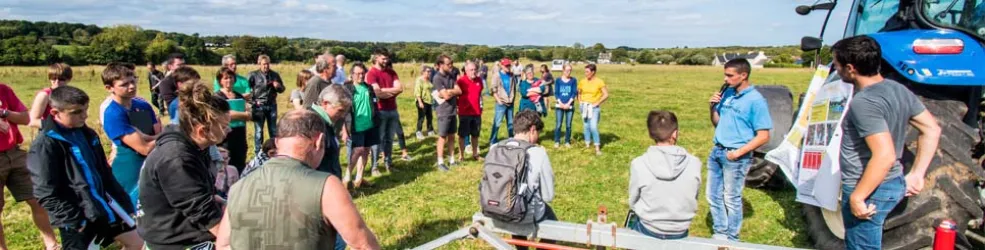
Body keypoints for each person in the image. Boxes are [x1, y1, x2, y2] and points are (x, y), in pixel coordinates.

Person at [832, 36, 940, 250]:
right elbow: (932, 129)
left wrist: (857, 197)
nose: (836, 70)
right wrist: (917, 173)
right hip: (892, 182)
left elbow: (884, 155)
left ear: (850, 68)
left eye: (837, 65)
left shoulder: (863, 102)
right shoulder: (897, 88)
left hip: (869, 188)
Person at [215, 110, 381, 250]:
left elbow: (223, 245)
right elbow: (363, 244)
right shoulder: (327, 187)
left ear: (278, 142)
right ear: (319, 141)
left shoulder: (240, 186)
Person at [28, 85, 142, 250]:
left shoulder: (88, 134)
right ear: (55, 113)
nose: (84, 115)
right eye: (76, 112)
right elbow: (44, 192)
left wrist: (124, 203)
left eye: (85, 109)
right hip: (78, 218)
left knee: (137, 243)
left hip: (106, 207)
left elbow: (104, 173)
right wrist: (74, 221)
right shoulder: (45, 145)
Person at [137, 79, 229, 249]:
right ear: (202, 130)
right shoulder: (176, 159)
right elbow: (203, 213)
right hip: (174, 242)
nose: (228, 130)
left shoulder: (194, 146)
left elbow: (201, 194)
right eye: (224, 126)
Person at [706, 58, 772, 242]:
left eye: (730, 75)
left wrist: (738, 153)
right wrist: (712, 108)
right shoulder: (727, 94)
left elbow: (763, 136)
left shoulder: (756, 101)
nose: (725, 79)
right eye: (725, 75)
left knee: (731, 198)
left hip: (735, 156)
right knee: (712, 196)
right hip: (717, 152)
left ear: (743, 75)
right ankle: (719, 232)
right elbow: (717, 123)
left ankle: (732, 237)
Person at [1, 83, 60, 250]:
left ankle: (52, 245)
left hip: (15, 153)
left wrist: (4, 113)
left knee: (38, 198)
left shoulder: (3, 90)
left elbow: (26, 118)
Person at [628, 110, 700, 240]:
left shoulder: (639, 164)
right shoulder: (694, 163)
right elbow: (694, 195)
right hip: (680, 230)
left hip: (648, 227)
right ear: (675, 133)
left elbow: (633, 199)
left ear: (650, 134)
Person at [101, 63, 160, 207]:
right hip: (129, 167)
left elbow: (156, 133)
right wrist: (173, 134)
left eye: (133, 81)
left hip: (154, 161)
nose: (132, 86)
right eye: (124, 84)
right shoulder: (113, 113)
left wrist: (162, 136)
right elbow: (144, 148)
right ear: (109, 88)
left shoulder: (143, 105)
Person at [496, 110, 556, 250]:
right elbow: (548, 196)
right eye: (538, 134)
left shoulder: (495, 148)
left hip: (496, 208)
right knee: (552, 225)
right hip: (524, 215)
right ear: (532, 129)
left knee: (515, 204)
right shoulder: (538, 153)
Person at [367, 48, 405, 176]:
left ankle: (389, 164)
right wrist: (391, 91)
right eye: (383, 58)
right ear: (376, 58)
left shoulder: (391, 72)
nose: (386, 60)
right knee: (378, 139)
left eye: (387, 58)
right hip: (380, 110)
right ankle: (375, 167)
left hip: (392, 109)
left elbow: (400, 88)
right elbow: (377, 93)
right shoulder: (371, 73)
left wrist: (384, 91)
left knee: (389, 139)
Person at [341, 63, 379, 188]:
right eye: (358, 73)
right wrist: (344, 130)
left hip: (370, 125)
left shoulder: (369, 88)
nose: (361, 76)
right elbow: (343, 111)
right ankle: (347, 176)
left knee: (366, 150)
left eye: (363, 73)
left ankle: (359, 178)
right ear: (352, 75)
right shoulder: (347, 89)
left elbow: (374, 104)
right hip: (355, 126)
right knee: (357, 150)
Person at [309, 84, 351, 178]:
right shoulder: (312, 123)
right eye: (340, 110)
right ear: (325, 103)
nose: (343, 115)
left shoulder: (325, 123)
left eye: (345, 112)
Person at [248, 54, 286, 154]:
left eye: (268, 64)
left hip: (272, 105)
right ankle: (258, 153)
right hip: (258, 106)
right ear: (259, 64)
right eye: (264, 64)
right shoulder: (253, 75)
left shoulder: (275, 75)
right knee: (259, 132)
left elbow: (282, 89)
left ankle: (274, 151)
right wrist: (253, 102)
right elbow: (247, 91)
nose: (266, 66)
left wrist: (278, 86)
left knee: (273, 130)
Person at [216, 67, 251, 172]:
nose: (229, 80)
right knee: (226, 164)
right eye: (225, 78)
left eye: (231, 77)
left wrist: (240, 114)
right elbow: (225, 115)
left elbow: (250, 114)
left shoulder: (239, 95)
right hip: (225, 137)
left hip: (240, 135)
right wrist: (243, 114)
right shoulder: (218, 97)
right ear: (220, 81)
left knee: (240, 163)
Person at [433, 55, 460, 171]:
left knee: (452, 136)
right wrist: (450, 92)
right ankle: (440, 162)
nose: (451, 66)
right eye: (448, 64)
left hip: (453, 110)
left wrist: (449, 91)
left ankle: (452, 159)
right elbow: (445, 96)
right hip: (443, 112)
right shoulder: (437, 78)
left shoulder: (451, 75)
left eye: (451, 63)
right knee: (442, 137)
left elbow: (459, 91)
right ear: (440, 65)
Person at [28, 63, 72, 129]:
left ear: (69, 79)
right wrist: (56, 127)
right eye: (53, 78)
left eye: (61, 79)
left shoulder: (72, 94)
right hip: (49, 134)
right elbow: (32, 121)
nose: (57, 82)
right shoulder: (44, 95)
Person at [579, 64, 609, 155]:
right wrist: (580, 101)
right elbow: (579, 93)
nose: (585, 74)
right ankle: (587, 144)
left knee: (593, 126)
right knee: (586, 126)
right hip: (584, 106)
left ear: (593, 72)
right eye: (585, 71)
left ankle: (597, 147)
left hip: (594, 108)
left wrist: (597, 103)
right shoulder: (582, 81)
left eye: (587, 72)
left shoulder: (599, 82)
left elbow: (606, 94)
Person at [456, 61, 484, 161]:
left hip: (476, 112)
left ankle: (475, 154)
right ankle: (461, 156)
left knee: (475, 134)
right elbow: (456, 96)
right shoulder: (461, 81)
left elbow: (480, 94)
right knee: (462, 135)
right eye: (471, 70)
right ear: (466, 71)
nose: (474, 71)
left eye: (475, 69)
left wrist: (481, 106)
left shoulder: (479, 80)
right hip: (464, 112)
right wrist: (457, 107)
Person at [489, 58, 518, 145]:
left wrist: (513, 99)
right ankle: (493, 140)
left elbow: (514, 88)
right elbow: (493, 89)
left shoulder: (511, 75)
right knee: (497, 122)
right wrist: (498, 100)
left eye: (509, 65)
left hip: (510, 103)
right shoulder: (497, 75)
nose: (508, 67)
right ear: (501, 66)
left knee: (510, 122)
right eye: (506, 65)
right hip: (501, 103)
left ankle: (511, 138)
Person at [553, 64, 577, 148]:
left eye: (570, 70)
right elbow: (556, 93)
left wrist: (568, 103)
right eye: (567, 70)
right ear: (563, 70)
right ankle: (557, 141)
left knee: (568, 125)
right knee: (558, 124)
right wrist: (560, 103)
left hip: (569, 106)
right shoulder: (558, 80)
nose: (568, 72)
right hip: (559, 105)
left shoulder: (573, 80)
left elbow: (574, 93)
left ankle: (567, 141)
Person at [414, 65, 435, 139]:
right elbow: (417, 92)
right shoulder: (419, 80)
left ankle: (430, 131)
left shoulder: (429, 80)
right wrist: (420, 102)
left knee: (430, 117)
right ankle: (418, 131)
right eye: (428, 71)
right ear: (423, 72)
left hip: (429, 101)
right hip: (422, 101)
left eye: (430, 71)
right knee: (421, 117)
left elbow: (432, 90)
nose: (429, 73)